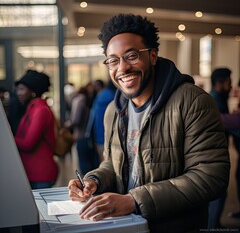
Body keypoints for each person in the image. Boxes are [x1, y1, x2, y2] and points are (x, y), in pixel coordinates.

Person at [68, 14, 230, 232]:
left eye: (132, 55)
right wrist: (94, 180)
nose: (122, 68)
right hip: (125, 226)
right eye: (113, 60)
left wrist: (134, 201)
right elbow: (112, 163)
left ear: (153, 56)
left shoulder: (193, 101)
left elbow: (210, 177)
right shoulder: (113, 111)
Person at [14, 69, 58, 189]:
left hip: (40, 174)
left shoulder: (40, 110)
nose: (18, 93)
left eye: (22, 89)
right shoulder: (32, 108)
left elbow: (28, 144)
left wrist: (9, 138)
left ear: (33, 91)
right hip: (31, 172)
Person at [208, 68, 232, 228]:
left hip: (216, 154)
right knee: (217, 195)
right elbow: (221, 122)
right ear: (221, 82)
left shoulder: (219, 98)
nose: (231, 86)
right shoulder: (213, 100)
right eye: (229, 82)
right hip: (212, 157)